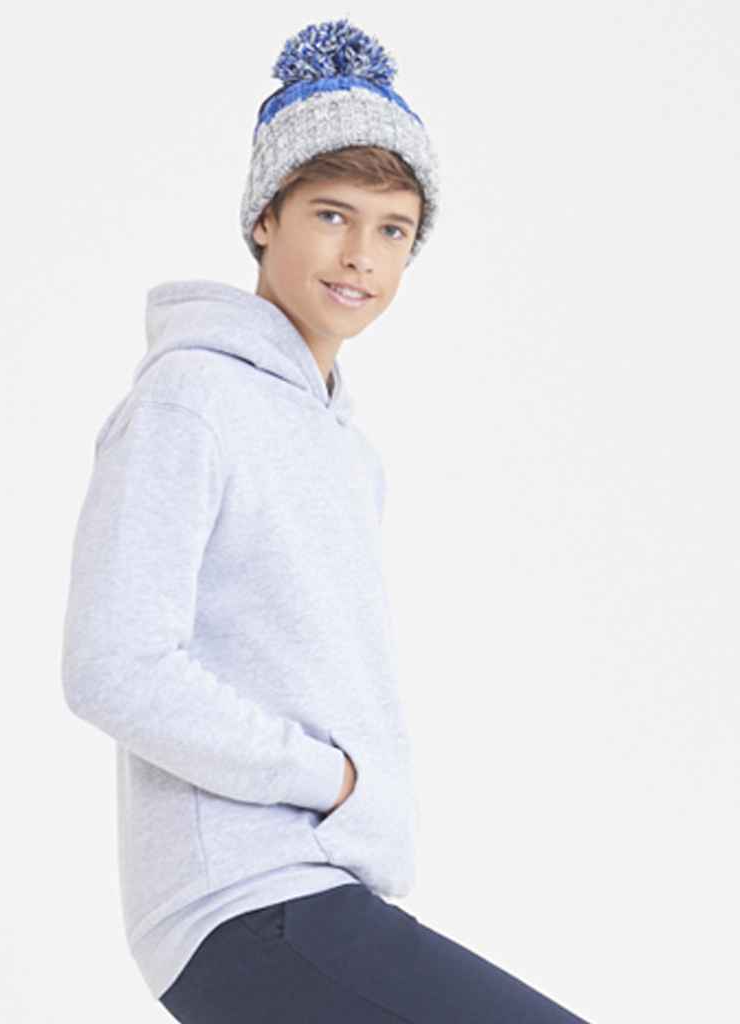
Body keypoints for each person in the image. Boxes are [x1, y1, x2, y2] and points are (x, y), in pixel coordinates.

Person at [61, 17, 593, 1023]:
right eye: (332, 215)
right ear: (266, 216)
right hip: (242, 900)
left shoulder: (344, 446)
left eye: (392, 229)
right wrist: (329, 777)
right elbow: (113, 665)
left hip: (320, 887)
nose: (360, 257)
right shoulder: (188, 399)